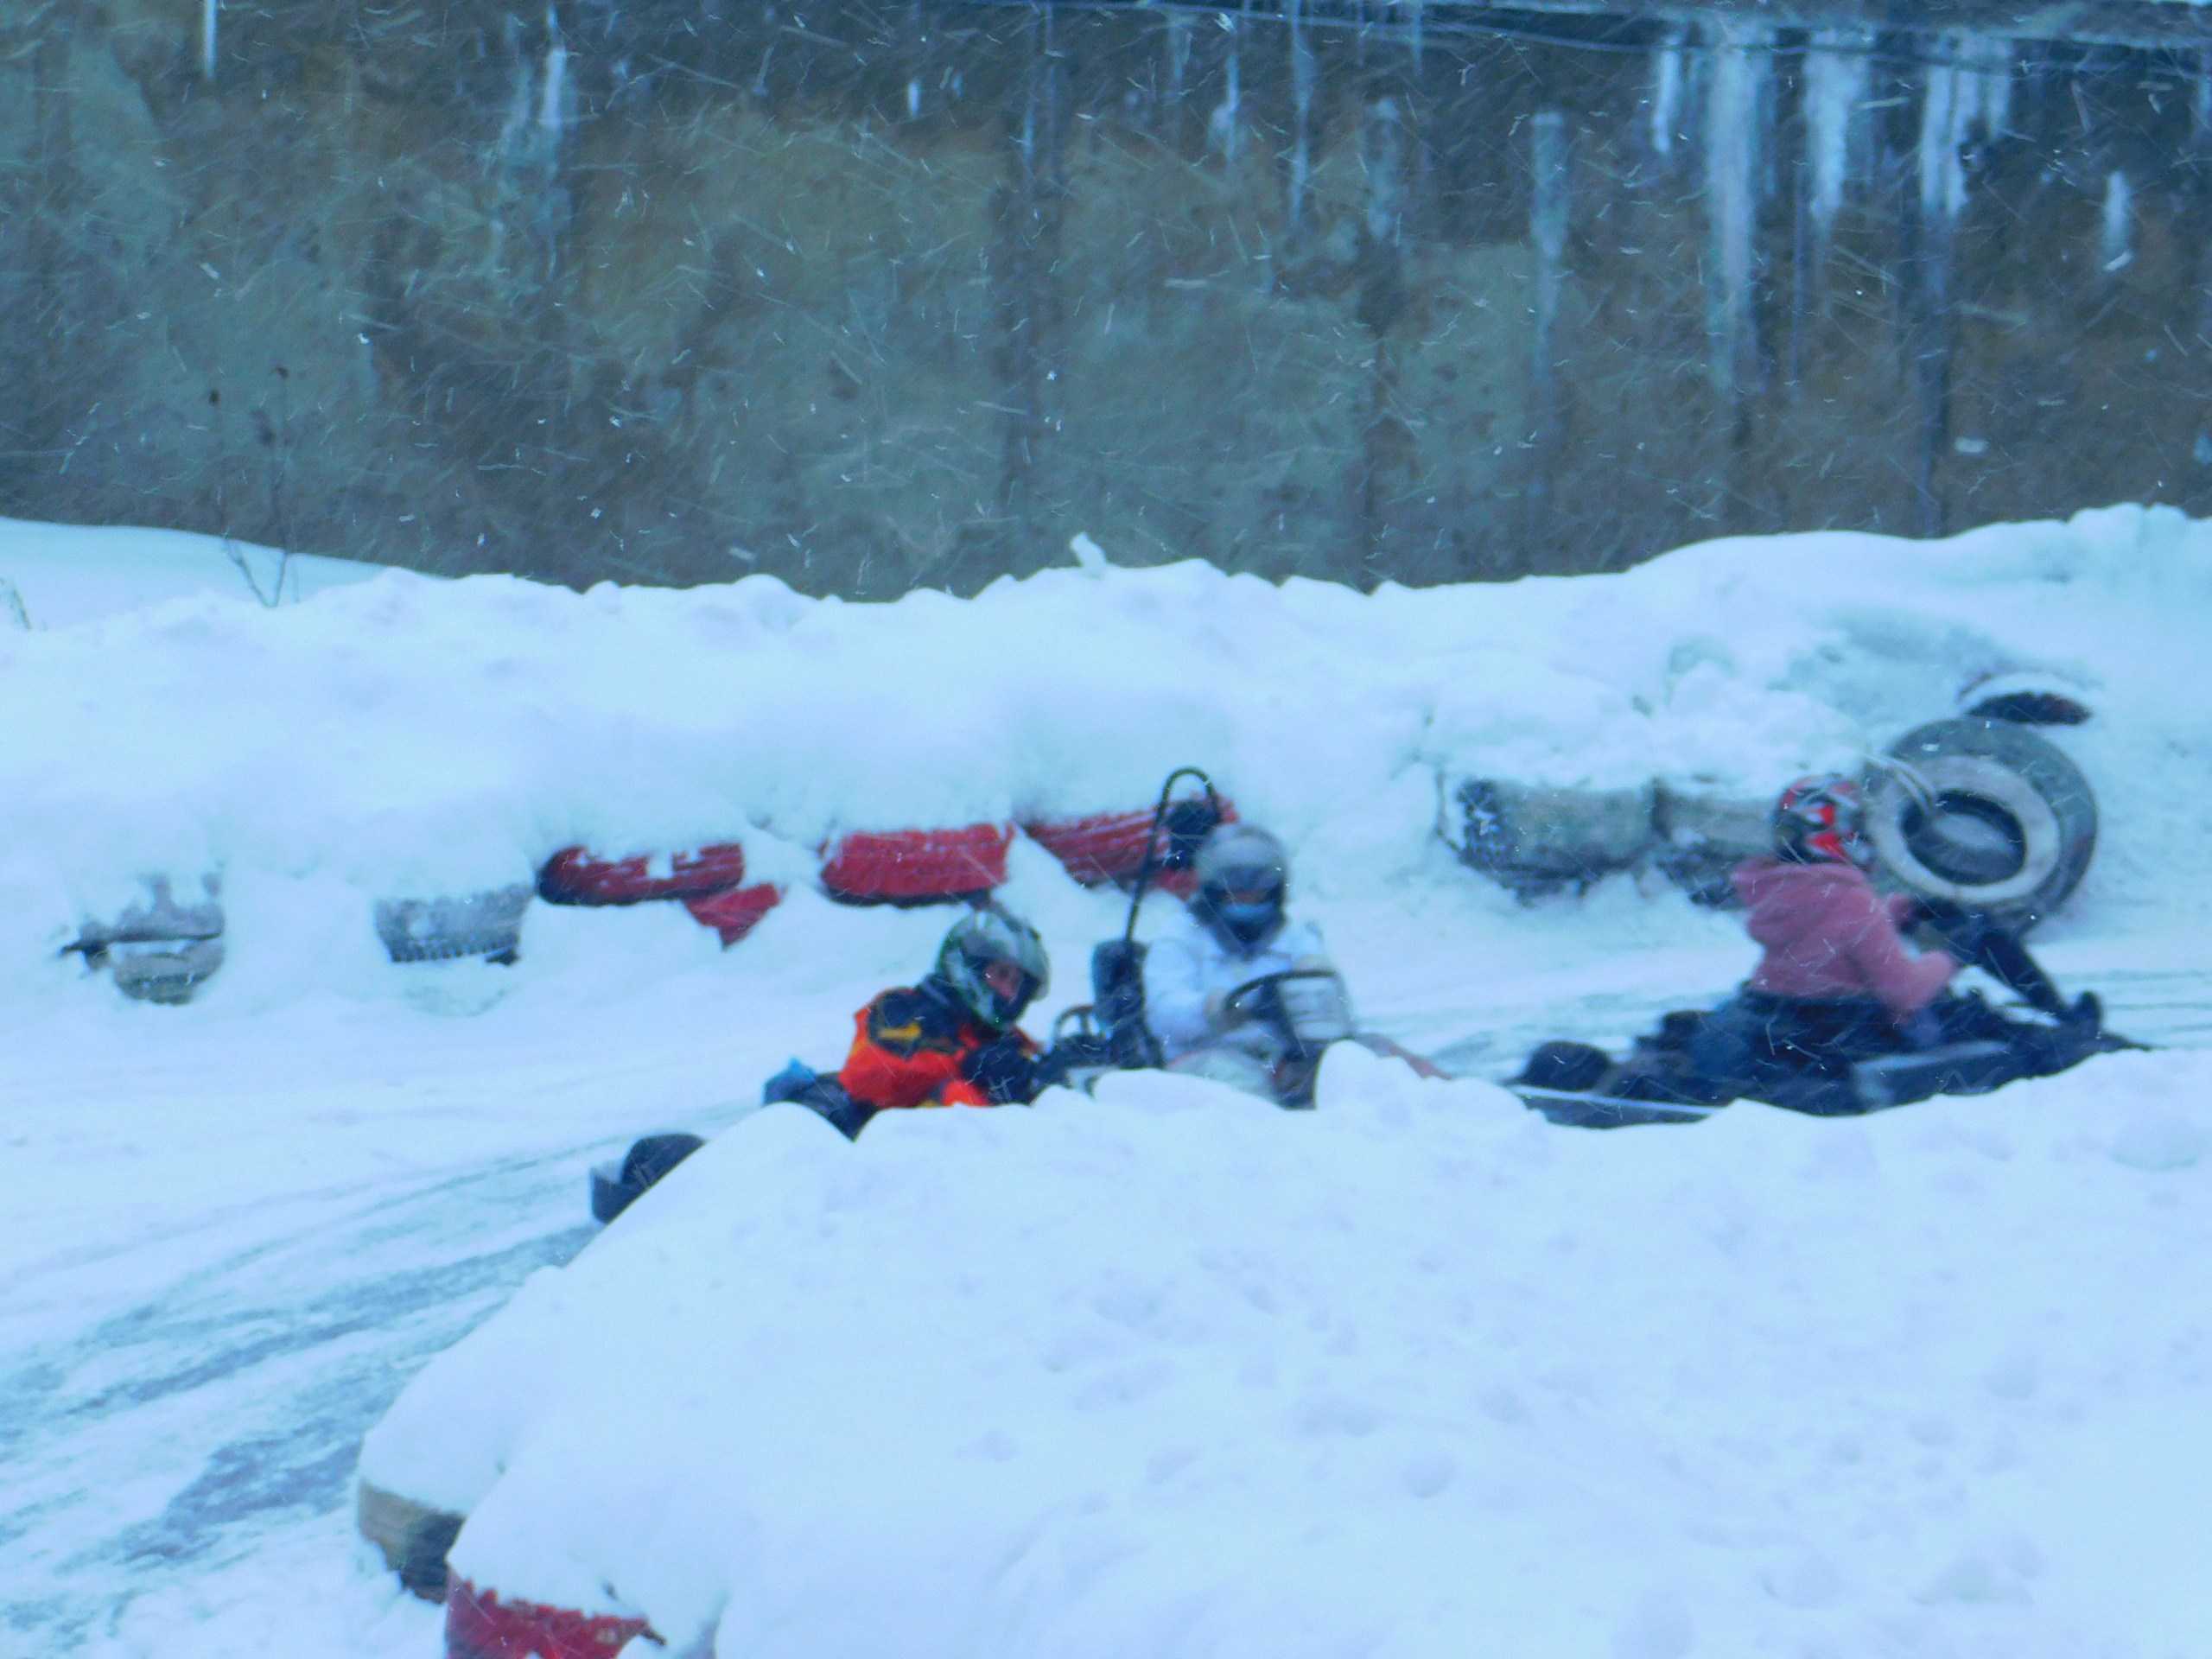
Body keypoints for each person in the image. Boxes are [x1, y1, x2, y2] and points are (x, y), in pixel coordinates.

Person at [1687, 773, 2101, 1090]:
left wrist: (1897, 911)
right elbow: (1906, 994)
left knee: (1967, 952)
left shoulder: (1784, 889)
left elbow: (1828, 931)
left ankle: (2059, 1017)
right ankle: (2066, 1023)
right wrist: (1955, 954)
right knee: (1978, 966)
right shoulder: (1850, 901)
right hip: (1850, 1026)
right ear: (1837, 834)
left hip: (1788, 1012)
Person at [766, 904, 1052, 1137]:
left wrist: (1054, 1063)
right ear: (968, 966)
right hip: (878, 1157)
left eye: (1015, 984)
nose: (1007, 991)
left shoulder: (999, 1037)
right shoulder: (902, 1008)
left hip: (965, 1167)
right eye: (1000, 975)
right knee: (960, 1094)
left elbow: (1033, 1065)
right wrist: (968, 1062)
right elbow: (869, 1071)